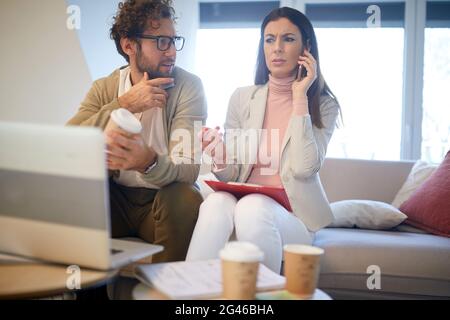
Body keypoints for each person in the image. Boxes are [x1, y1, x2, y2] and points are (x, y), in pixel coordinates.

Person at [186, 7, 340, 273]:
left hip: (294, 218)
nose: (277, 48)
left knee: (252, 206)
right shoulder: (242, 98)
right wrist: (219, 154)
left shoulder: (323, 105)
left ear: (307, 47)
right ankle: (191, 292)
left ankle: (261, 299)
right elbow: (233, 175)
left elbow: (305, 168)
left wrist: (300, 96)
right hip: (246, 202)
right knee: (215, 202)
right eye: (269, 39)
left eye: (288, 39)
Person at [67, 0, 207, 263]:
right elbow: (70, 139)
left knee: (185, 196)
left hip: (160, 201)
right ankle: (90, 291)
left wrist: (149, 162)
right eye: (161, 42)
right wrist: (124, 104)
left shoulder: (188, 87)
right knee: (72, 191)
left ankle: (166, 290)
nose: (172, 52)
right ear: (129, 45)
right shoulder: (105, 88)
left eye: (174, 40)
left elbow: (188, 168)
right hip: (115, 200)